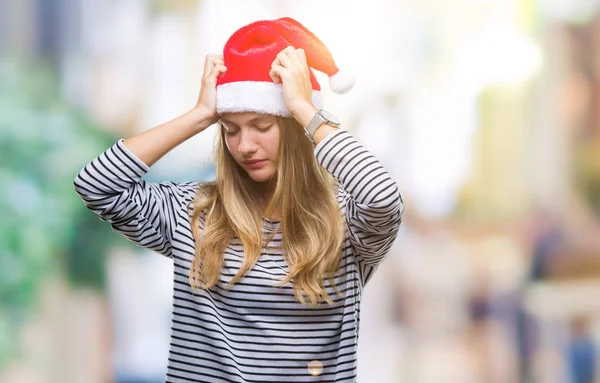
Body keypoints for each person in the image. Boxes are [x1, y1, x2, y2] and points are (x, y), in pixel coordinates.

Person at [74, 17, 403, 383]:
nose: (245, 146)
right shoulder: (195, 212)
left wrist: (307, 110)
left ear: (295, 129)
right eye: (231, 130)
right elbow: (96, 184)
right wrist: (199, 116)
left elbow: (383, 198)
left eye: (262, 127)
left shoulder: (344, 222)